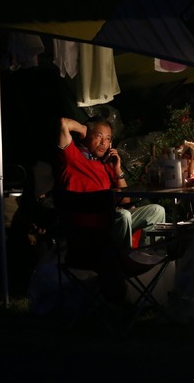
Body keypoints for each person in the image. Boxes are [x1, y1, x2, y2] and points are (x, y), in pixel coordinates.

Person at [55, 115, 167, 302]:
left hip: (111, 221)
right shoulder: (71, 157)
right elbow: (63, 123)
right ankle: (119, 266)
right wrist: (84, 129)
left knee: (156, 210)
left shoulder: (105, 166)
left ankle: (145, 259)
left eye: (108, 138)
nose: (103, 142)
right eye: (98, 136)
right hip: (87, 230)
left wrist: (117, 170)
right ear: (86, 136)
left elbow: (126, 200)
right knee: (122, 216)